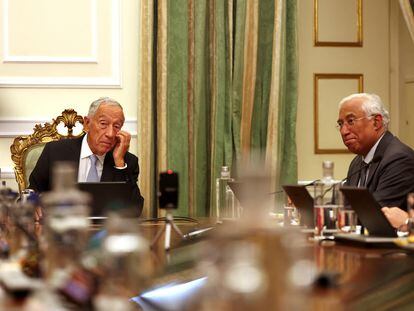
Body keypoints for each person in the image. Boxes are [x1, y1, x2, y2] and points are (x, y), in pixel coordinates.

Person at [29, 97, 144, 216]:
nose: (110, 134)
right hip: (61, 228)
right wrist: (33, 204)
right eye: (103, 124)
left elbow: (135, 210)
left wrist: (119, 163)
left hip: (105, 232)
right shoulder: (55, 152)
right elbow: (30, 194)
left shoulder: (127, 161)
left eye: (116, 126)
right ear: (87, 123)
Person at [338, 93, 414, 219]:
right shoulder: (358, 162)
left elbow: (373, 213)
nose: (343, 131)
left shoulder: (399, 159)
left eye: (351, 121)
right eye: (341, 124)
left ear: (376, 122)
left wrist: (330, 216)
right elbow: (344, 204)